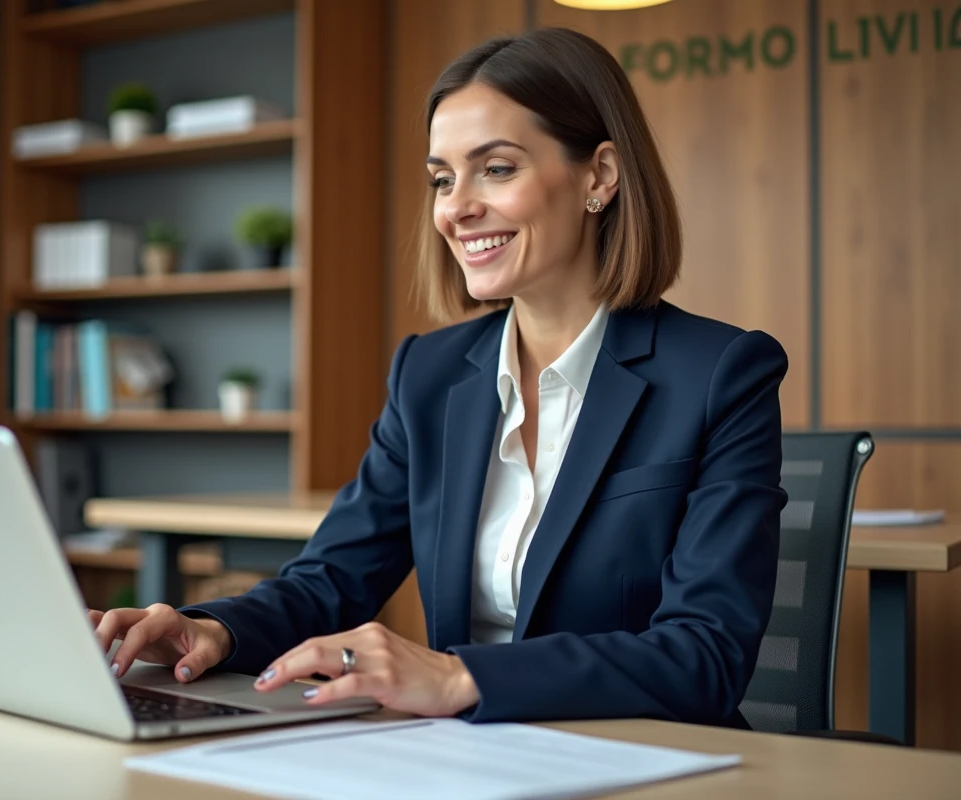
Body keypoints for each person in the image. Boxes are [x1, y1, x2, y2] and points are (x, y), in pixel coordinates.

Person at [89, 27, 787, 728]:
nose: (455, 209)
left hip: (649, 761)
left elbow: (707, 654)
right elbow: (330, 580)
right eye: (442, 179)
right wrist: (215, 630)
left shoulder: (721, 374)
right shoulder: (430, 373)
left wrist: (461, 676)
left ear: (599, 176)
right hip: (464, 757)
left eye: (498, 168)